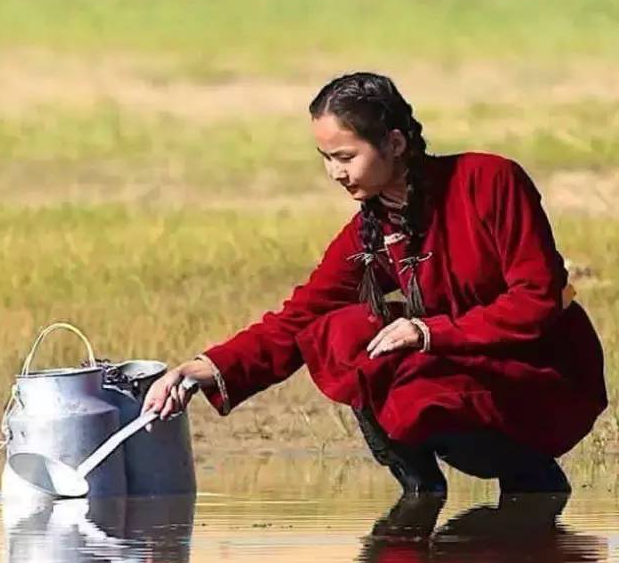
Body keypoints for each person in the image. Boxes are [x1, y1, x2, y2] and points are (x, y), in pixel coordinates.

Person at [142, 72, 608, 495]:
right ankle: (420, 492)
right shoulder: (370, 231)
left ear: (396, 143)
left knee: (404, 367)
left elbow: (537, 299)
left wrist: (428, 332)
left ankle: (531, 480)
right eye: (325, 159)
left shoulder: (489, 180)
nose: (335, 173)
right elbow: (298, 318)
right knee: (340, 333)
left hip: (545, 373)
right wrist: (202, 368)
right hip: (464, 371)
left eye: (346, 157)